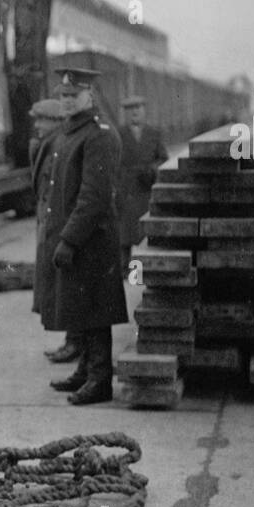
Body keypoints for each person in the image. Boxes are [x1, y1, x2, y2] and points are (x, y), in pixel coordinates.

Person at [34, 67, 128, 406]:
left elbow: (94, 196)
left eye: (74, 95)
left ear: (90, 96)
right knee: (81, 307)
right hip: (77, 237)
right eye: (63, 95)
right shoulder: (70, 133)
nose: (68, 100)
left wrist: (70, 239)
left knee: (95, 311)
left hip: (92, 240)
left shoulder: (98, 135)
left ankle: (100, 380)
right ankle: (86, 371)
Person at [29, 97, 80, 365]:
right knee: (60, 288)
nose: (36, 125)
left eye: (41, 120)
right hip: (50, 226)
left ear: (56, 122)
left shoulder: (58, 146)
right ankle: (72, 341)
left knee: (66, 287)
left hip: (59, 228)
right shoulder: (48, 144)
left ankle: (75, 342)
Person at [116, 95, 169, 273]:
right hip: (126, 188)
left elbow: (163, 159)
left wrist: (153, 169)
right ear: (125, 113)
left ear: (144, 111)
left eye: (138, 108)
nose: (135, 113)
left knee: (146, 232)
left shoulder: (154, 133)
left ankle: (150, 269)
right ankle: (126, 269)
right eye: (131, 110)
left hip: (147, 186)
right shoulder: (118, 134)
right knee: (125, 233)